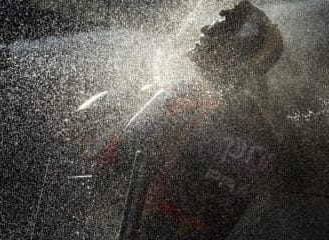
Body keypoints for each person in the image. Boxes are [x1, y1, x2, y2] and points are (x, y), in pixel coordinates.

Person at [117, 1, 284, 239]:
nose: (205, 29)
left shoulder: (187, 95)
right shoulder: (265, 133)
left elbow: (120, 154)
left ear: (231, 54)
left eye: (219, 28)